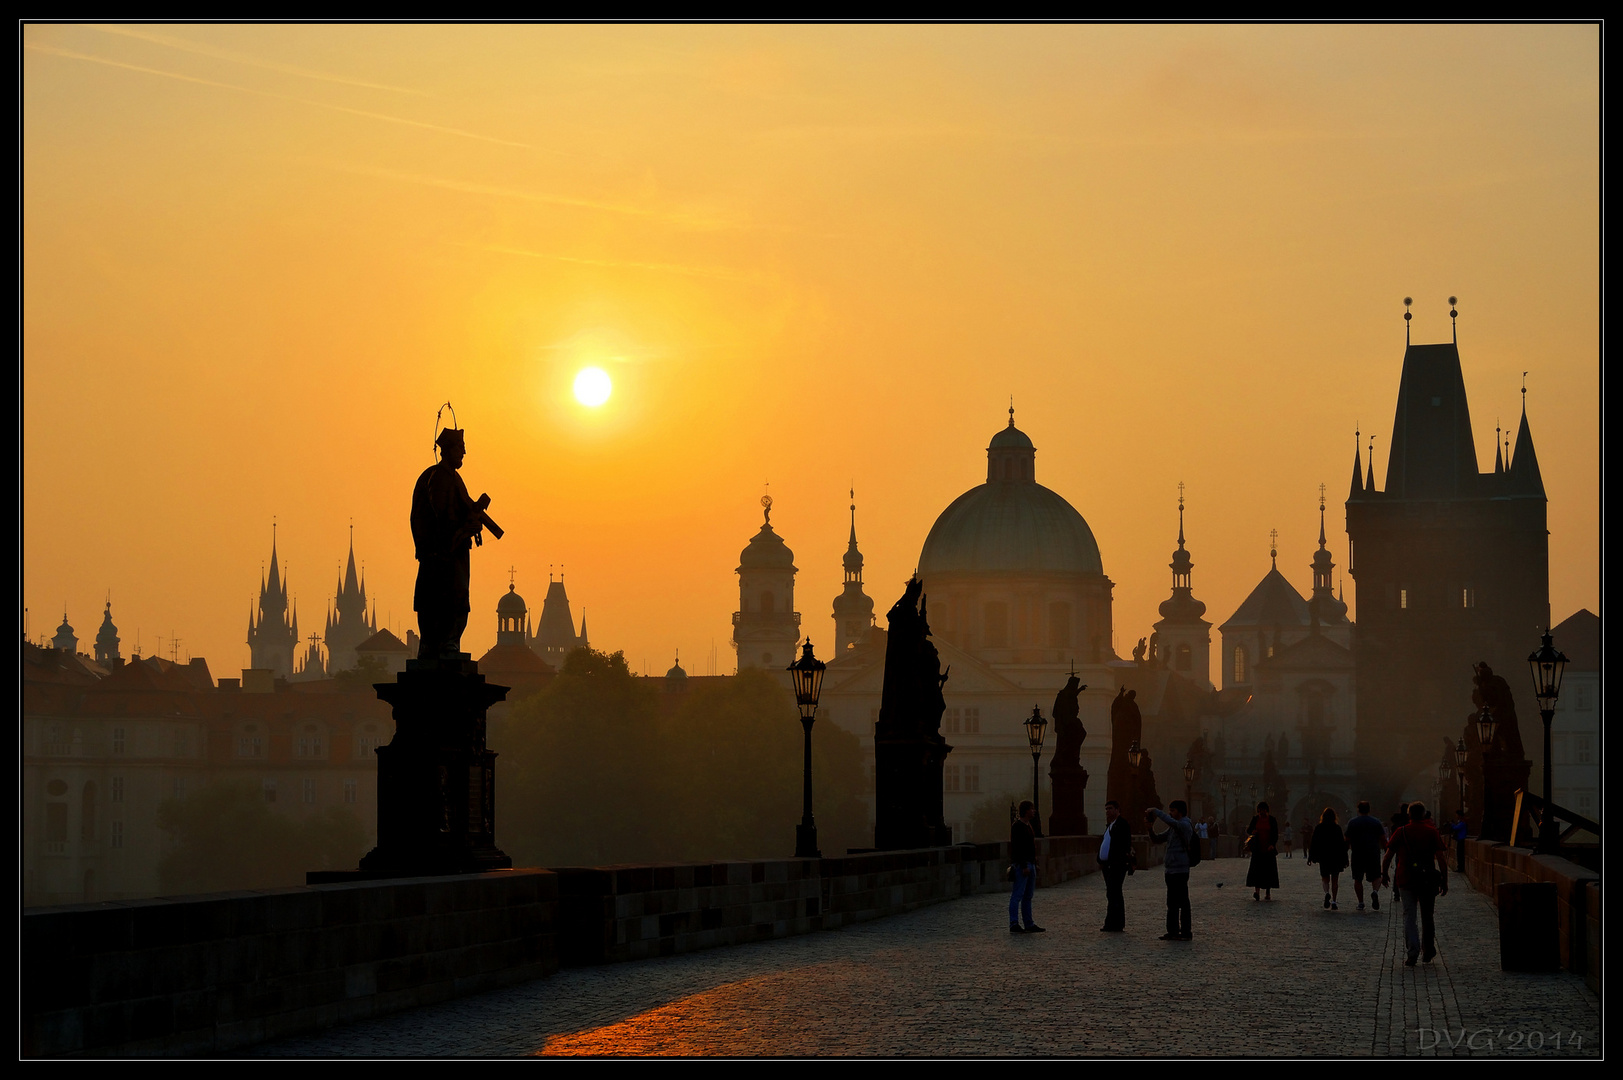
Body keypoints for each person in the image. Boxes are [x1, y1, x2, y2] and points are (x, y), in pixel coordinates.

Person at [411, 426, 494, 660]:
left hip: (454, 552)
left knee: (457, 598)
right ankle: (441, 644)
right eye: (461, 448)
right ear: (448, 450)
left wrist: (473, 520)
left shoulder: (455, 479)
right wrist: (464, 529)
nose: (464, 453)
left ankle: (449, 642)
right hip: (441, 553)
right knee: (439, 598)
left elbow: (464, 507)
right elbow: (441, 517)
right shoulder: (438, 478)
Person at [1381, 801, 1450, 965]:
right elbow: (1440, 858)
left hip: (1406, 878)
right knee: (1427, 916)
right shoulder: (1431, 832)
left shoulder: (1401, 831)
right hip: (1427, 879)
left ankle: (1412, 951)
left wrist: (1384, 874)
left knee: (1409, 916)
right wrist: (1444, 880)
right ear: (1424, 814)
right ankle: (1428, 951)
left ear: (1409, 815)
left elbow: (1388, 856)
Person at [1146, 800, 1194, 940]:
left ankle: (1186, 932)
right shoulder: (1173, 828)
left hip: (1180, 869)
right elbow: (1158, 839)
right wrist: (1150, 829)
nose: (1170, 813)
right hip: (1170, 870)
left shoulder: (1184, 825)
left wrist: (1156, 811)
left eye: (1172, 810)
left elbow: (1173, 823)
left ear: (1180, 811)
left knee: (1183, 902)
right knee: (1171, 902)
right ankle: (1172, 930)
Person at [1343, 800, 1387, 911]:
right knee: (1376, 876)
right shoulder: (1376, 822)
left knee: (1358, 879)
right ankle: (1375, 891)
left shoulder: (1352, 822)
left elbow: (1347, 840)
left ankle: (1361, 902)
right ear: (1369, 809)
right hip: (1373, 852)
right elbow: (1383, 838)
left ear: (1358, 810)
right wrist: (1387, 851)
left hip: (1358, 853)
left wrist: (1345, 853)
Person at [1097, 800, 1133, 931]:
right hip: (1108, 865)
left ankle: (1115, 924)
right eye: (1106, 809)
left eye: (1110, 808)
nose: (1108, 811)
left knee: (1115, 893)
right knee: (1111, 894)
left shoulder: (1122, 824)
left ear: (1118, 810)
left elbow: (1124, 845)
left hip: (1116, 865)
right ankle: (1111, 922)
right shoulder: (1110, 825)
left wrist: (1115, 861)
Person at [1009, 800, 1043, 934]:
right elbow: (1017, 848)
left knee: (1028, 896)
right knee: (1017, 895)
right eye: (1032, 809)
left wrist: (1035, 863)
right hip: (1022, 865)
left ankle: (1029, 923)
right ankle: (1014, 923)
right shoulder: (1017, 826)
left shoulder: (1029, 825)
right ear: (1026, 811)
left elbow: (1031, 847)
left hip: (1030, 864)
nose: (1034, 811)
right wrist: (1024, 865)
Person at [1307, 807, 1348, 910]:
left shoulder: (1319, 828)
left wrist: (1310, 857)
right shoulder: (1337, 828)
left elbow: (1314, 843)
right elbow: (1342, 845)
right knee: (1335, 880)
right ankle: (1334, 901)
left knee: (1325, 878)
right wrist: (1345, 859)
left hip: (1324, 857)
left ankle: (1326, 893)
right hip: (1336, 857)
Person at [1245, 801, 1280, 900]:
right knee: (1257, 871)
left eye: (1263, 810)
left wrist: (1272, 845)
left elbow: (1275, 834)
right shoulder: (1255, 819)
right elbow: (1249, 830)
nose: (1261, 813)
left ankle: (1268, 892)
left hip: (1268, 849)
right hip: (1258, 849)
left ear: (1267, 811)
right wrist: (1253, 831)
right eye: (1260, 811)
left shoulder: (1272, 820)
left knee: (1268, 871)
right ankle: (1257, 892)